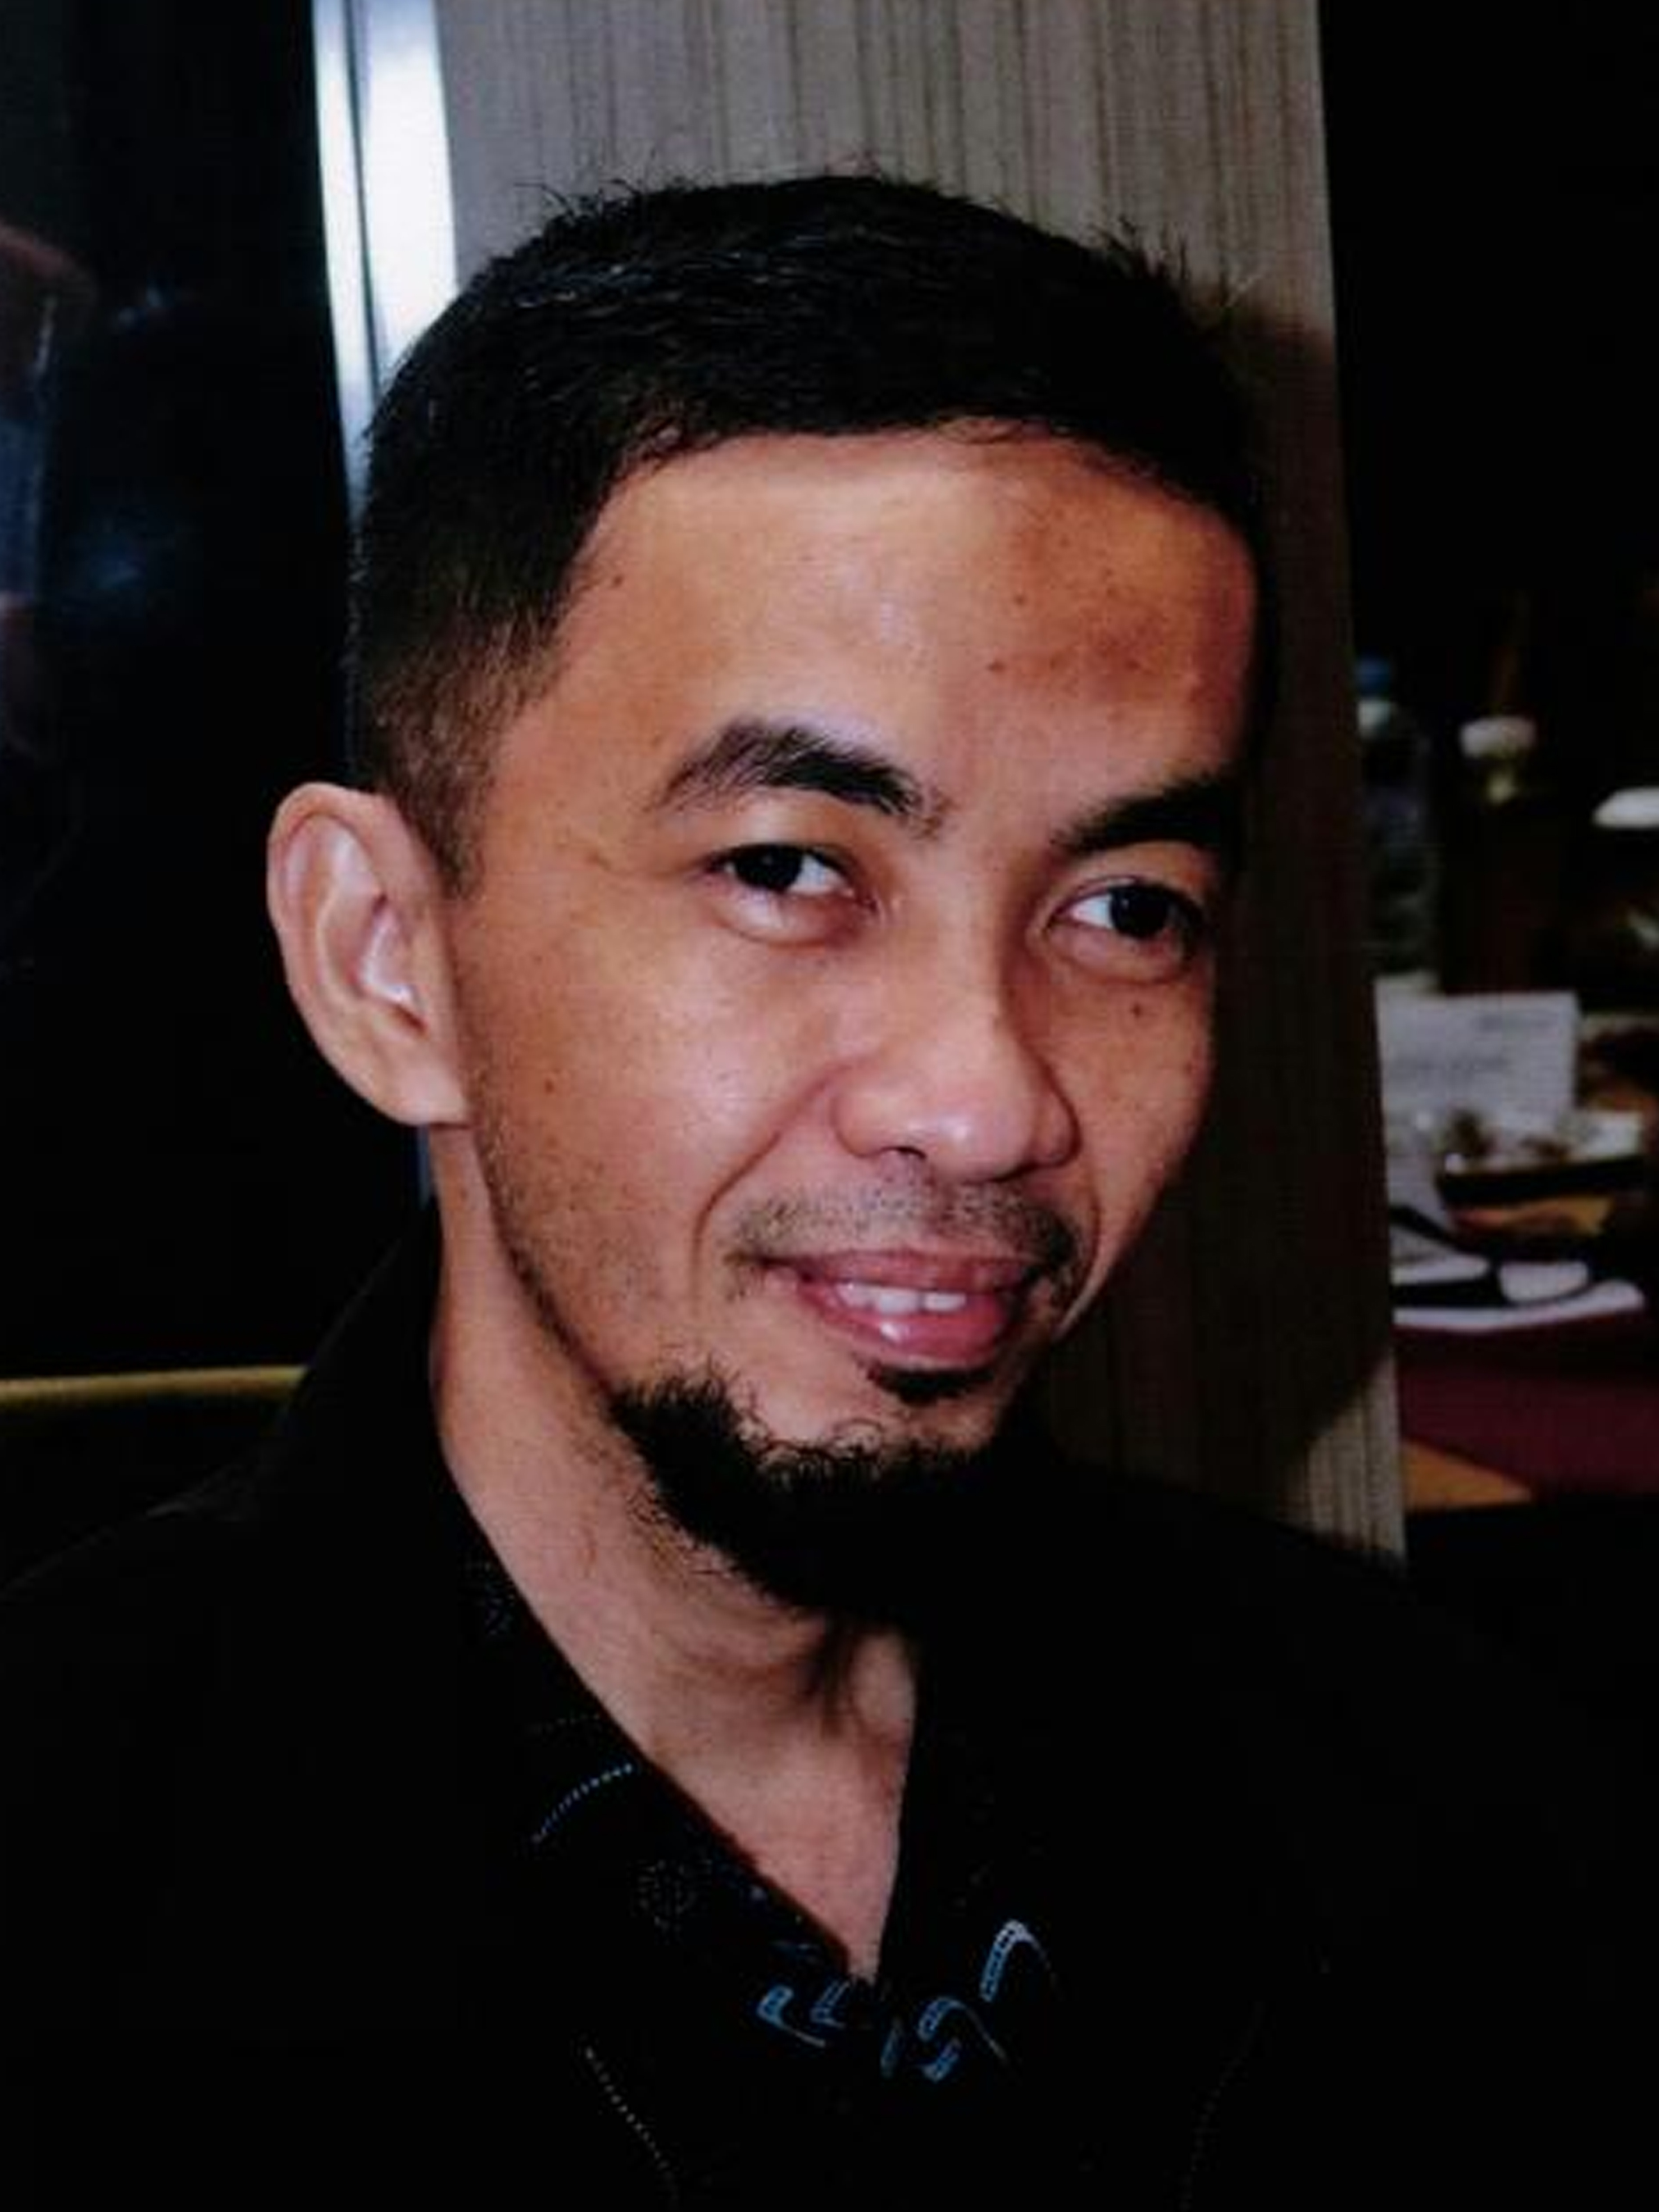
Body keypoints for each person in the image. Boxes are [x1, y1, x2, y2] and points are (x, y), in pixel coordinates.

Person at [0, 174, 1639, 2206]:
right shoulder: (64, 1912)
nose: (987, 1099)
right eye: (787, 868)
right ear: (387, 957)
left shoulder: (1442, 1814)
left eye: (1127, 906)